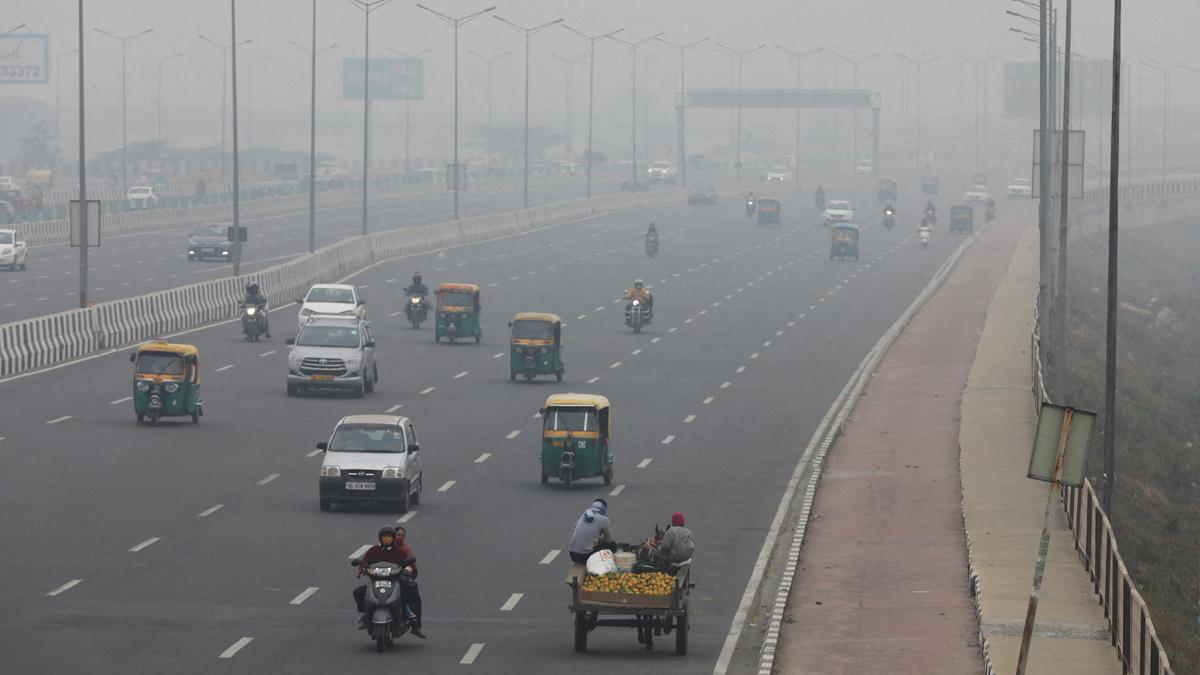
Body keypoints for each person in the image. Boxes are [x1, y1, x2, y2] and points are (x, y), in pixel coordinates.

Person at [353, 526, 425, 638]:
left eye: (389, 537)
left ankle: (414, 622)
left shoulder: (399, 551)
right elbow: (365, 562)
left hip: (395, 580)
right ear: (380, 538)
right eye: (384, 537)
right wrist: (362, 569)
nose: (386, 539)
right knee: (358, 592)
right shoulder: (374, 550)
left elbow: (409, 564)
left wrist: (408, 569)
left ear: (393, 538)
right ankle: (365, 615)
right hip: (376, 581)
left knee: (411, 591)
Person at [568, 499, 614, 564]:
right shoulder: (604, 520)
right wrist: (598, 540)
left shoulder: (584, 514)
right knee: (612, 545)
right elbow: (608, 540)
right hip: (586, 556)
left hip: (572, 555)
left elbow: (574, 529)